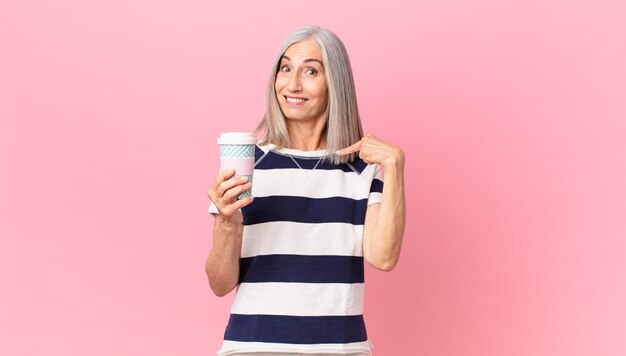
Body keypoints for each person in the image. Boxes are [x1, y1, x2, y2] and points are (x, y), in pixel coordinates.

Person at [206, 25, 406, 356]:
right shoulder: (246, 165)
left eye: (310, 71)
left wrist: (394, 166)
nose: (292, 84)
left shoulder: (362, 170)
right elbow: (220, 283)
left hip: (340, 348)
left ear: (335, 84)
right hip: (254, 347)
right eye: (285, 68)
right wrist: (227, 222)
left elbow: (383, 258)